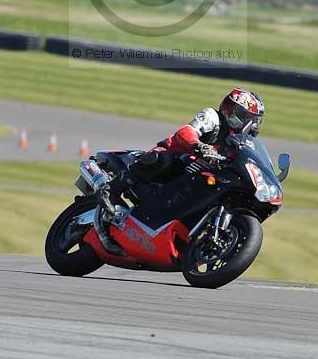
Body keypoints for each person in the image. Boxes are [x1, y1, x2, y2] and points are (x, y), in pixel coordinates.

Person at [95, 87, 265, 254]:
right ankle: (111, 190)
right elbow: (186, 132)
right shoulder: (213, 117)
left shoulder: (241, 142)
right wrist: (198, 145)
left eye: (254, 120)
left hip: (196, 179)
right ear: (230, 109)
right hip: (177, 159)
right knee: (163, 160)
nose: (251, 125)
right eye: (246, 118)